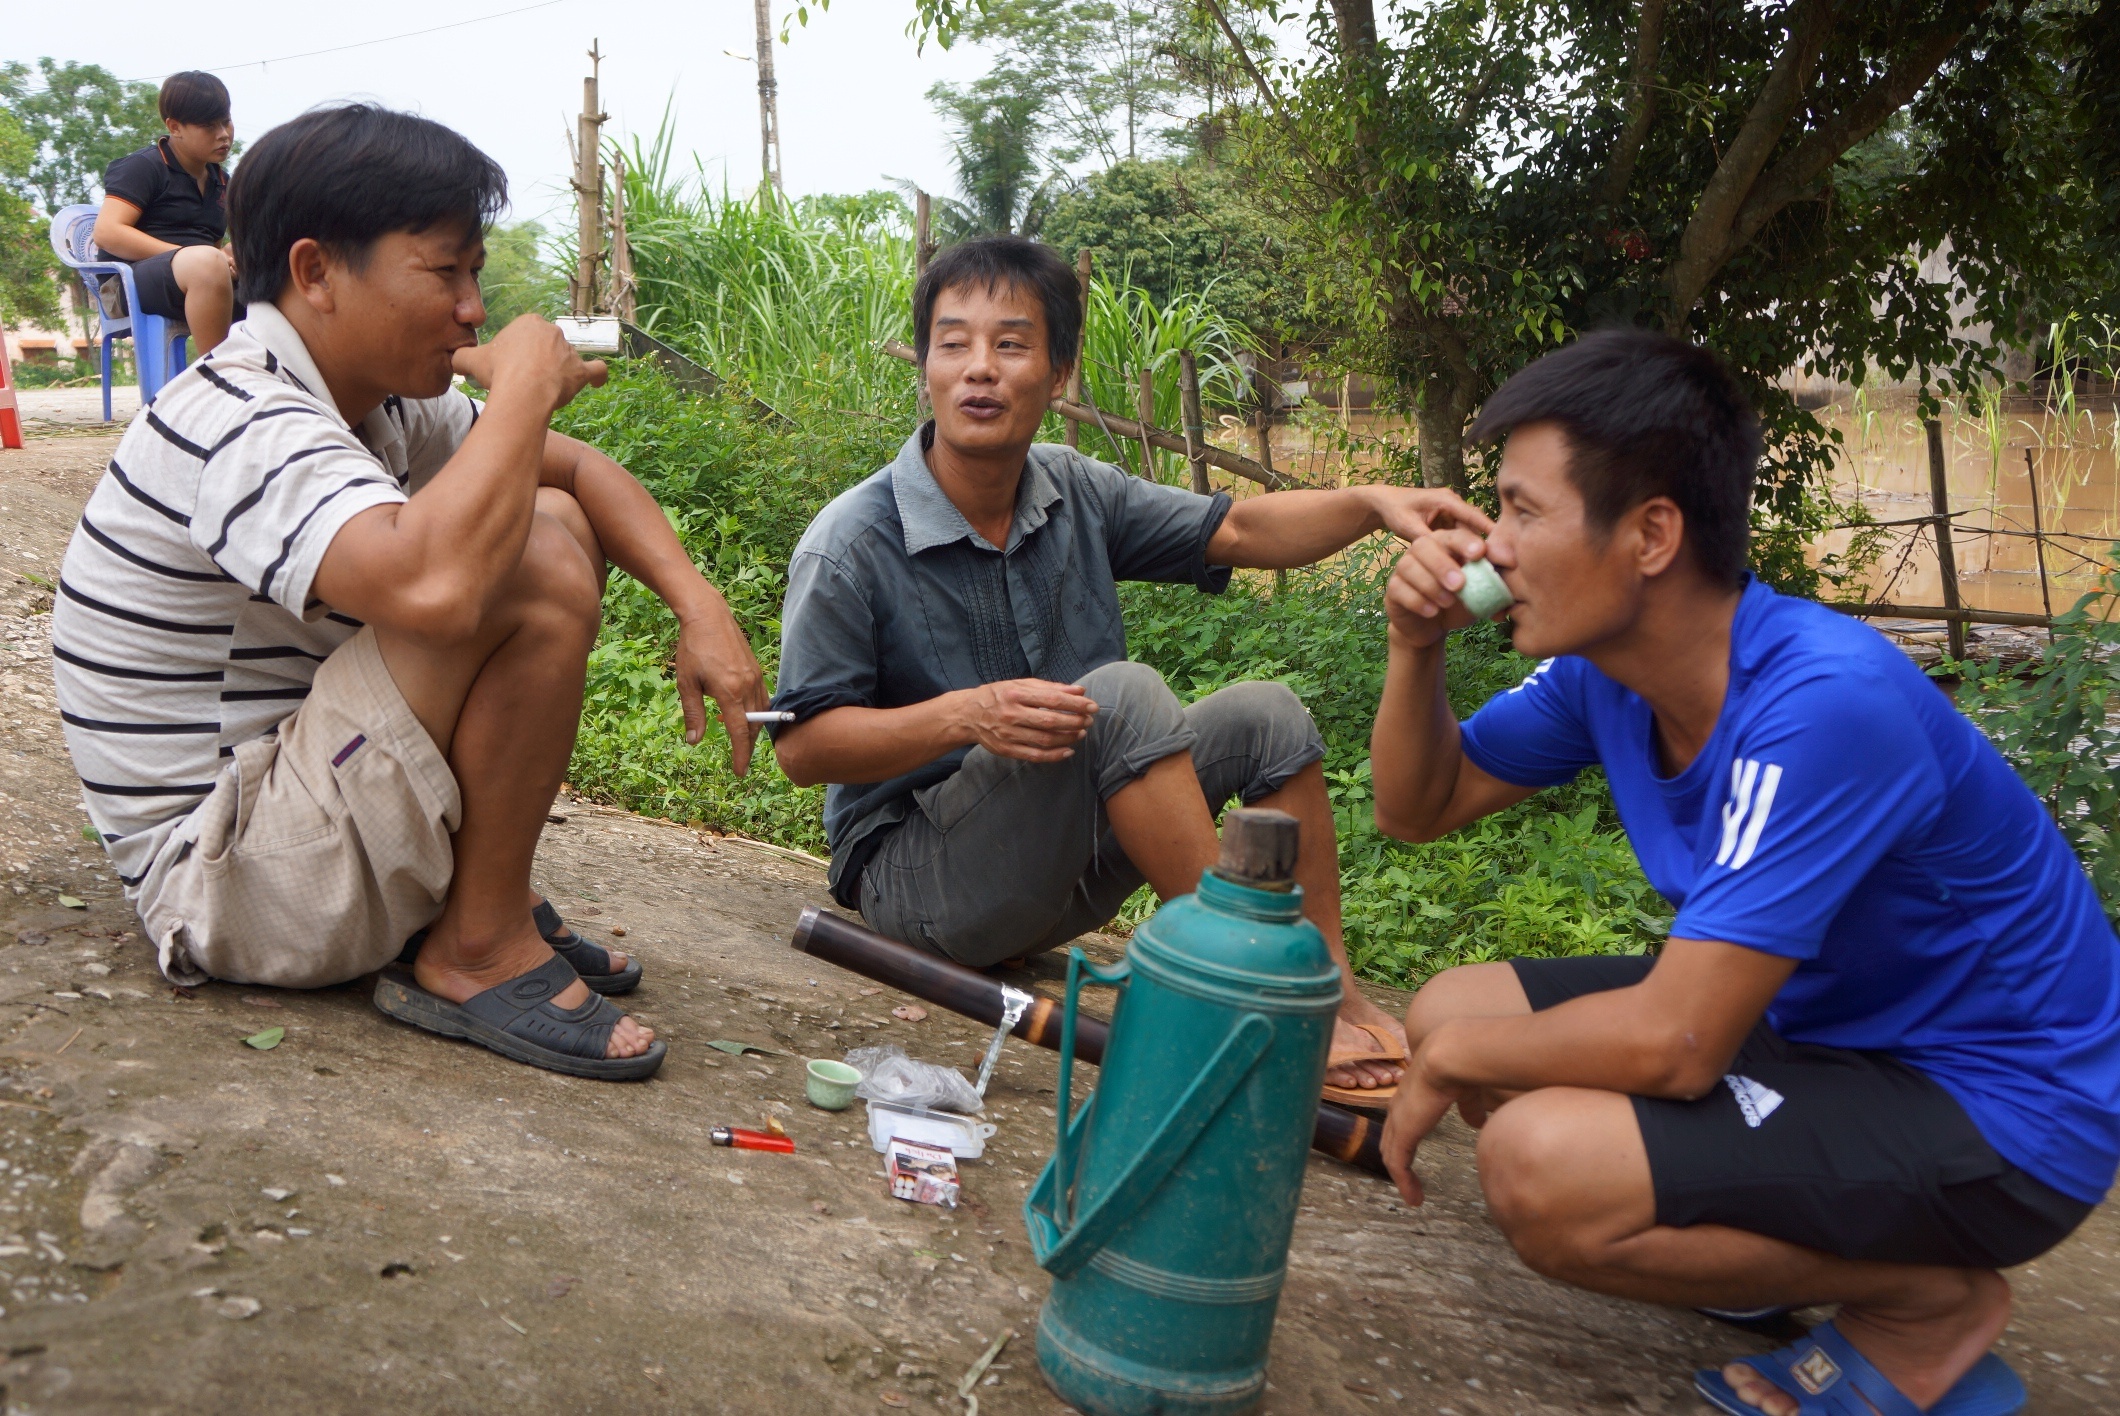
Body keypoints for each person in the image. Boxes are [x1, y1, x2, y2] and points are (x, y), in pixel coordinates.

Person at [1370, 329, 2118, 1416]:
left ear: (1650, 534)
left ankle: (1925, 1299)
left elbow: (1675, 1045)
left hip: (2003, 1109)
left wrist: (1458, 1069)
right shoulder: (1602, 677)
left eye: (1522, 512)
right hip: (1826, 1029)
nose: (1491, 551)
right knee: (1447, 1013)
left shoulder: (1822, 704)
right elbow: (1415, 809)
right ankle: (1768, 1252)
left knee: (1537, 1164)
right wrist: (1412, 647)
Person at [52, 105, 770, 1081]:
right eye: (445, 272)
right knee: (532, 556)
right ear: (315, 273)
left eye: (475, 274)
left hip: (282, 806)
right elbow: (436, 589)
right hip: (226, 876)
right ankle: (474, 948)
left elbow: (582, 475)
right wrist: (521, 390)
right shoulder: (245, 415)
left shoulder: (371, 399)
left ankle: (484, 902)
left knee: (544, 514)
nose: (474, 307)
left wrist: (701, 606)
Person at [769, 234, 1473, 1104]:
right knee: (1123, 696)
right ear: (925, 367)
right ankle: (1245, 997)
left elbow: (1241, 533)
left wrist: (1372, 505)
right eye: (953, 344)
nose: (979, 369)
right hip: (918, 882)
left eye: (1011, 344)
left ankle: (1327, 990)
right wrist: (966, 715)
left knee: (1268, 714)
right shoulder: (851, 543)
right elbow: (801, 750)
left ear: (1058, 373)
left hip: (1054, 868)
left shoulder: (1072, 489)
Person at [93, 71, 241, 352]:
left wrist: (233, 259)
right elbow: (107, 232)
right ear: (174, 127)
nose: (223, 134)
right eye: (209, 126)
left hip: (197, 276)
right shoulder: (145, 167)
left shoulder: (222, 182)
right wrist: (189, 255)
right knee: (206, 262)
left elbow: (215, 247)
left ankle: (274, 380)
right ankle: (216, 377)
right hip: (125, 285)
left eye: (226, 121)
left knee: (277, 265)